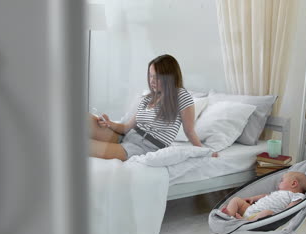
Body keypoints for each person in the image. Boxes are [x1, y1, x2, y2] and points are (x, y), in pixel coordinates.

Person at [89, 54, 217, 161]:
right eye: (150, 76)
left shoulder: (181, 95)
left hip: (144, 147)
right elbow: (126, 127)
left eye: (157, 77)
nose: (152, 81)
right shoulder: (149, 98)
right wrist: (109, 123)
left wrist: (205, 152)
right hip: (126, 137)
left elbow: (189, 131)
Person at [221, 171, 306, 221]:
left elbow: (290, 209)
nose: (279, 182)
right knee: (236, 200)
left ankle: (244, 221)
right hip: (250, 209)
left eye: (282, 180)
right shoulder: (278, 192)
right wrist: (253, 198)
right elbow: (265, 195)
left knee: (267, 212)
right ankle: (230, 215)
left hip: (259, 215)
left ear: (294, 183)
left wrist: (283, 215)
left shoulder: (296, 195)